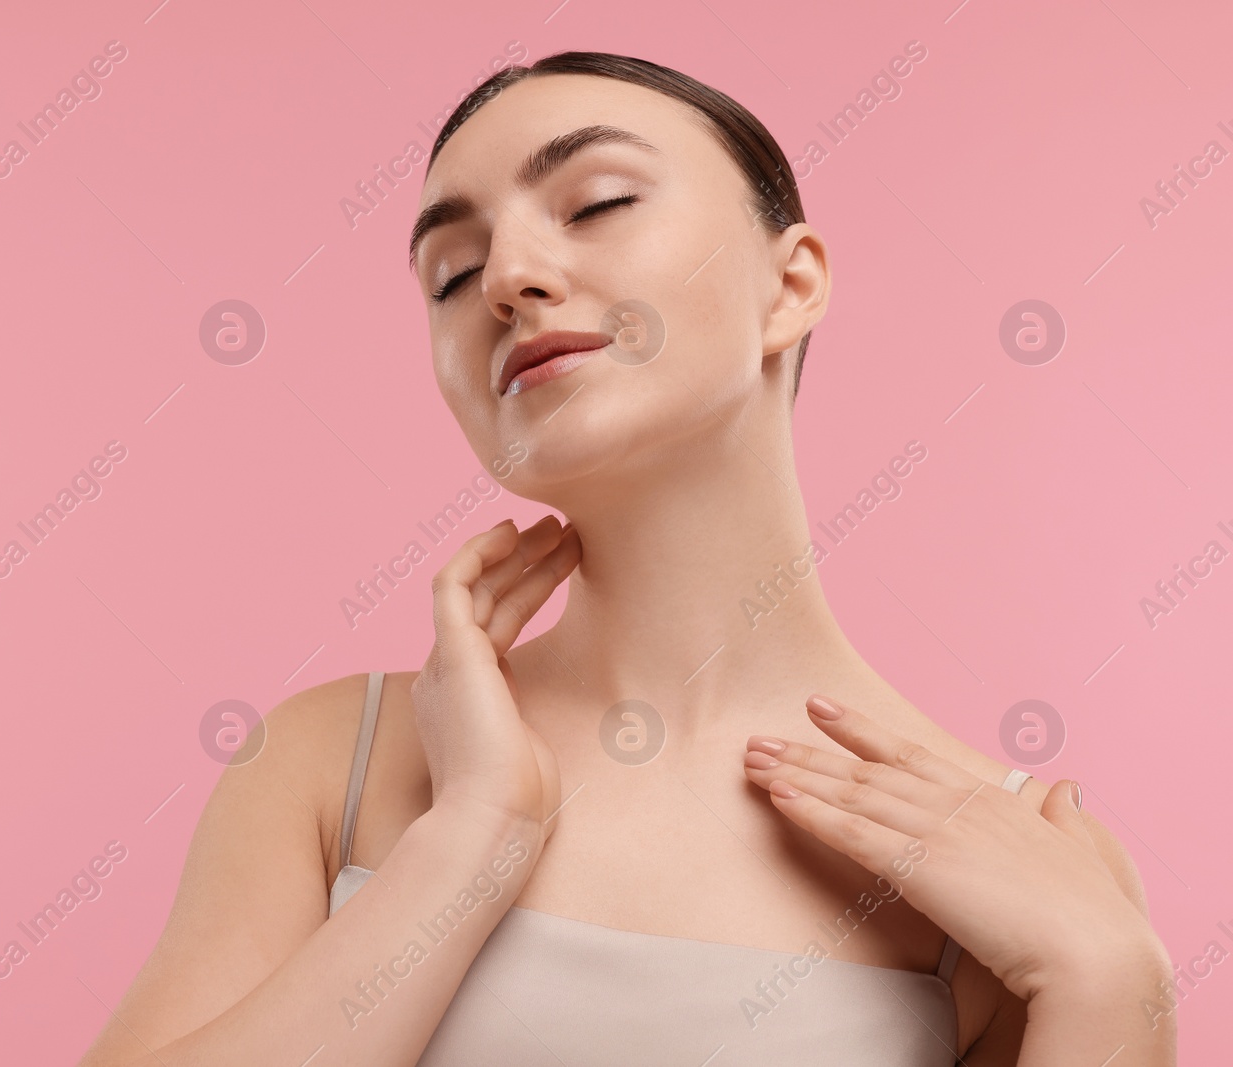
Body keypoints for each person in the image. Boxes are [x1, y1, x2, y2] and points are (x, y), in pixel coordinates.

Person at [77, 51, 1175, 1066]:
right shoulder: (334, 761)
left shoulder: (1014, 853)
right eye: (452, 273)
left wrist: (1110, 984)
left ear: (789, 286)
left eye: (597, 203)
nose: (507, 276)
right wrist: (471, 836)